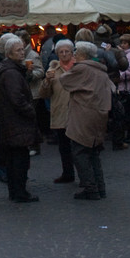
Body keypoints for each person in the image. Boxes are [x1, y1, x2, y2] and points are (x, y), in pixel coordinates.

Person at [61, 42, 114, 200]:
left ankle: (90, 187)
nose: (74, 54)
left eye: (76, 52)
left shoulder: (82, 68)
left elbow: (65, 81)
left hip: (84, 114)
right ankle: (100, 186)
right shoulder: (101, 71)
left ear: (83, 54)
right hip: (99, 113)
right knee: (93, 152)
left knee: (80, 152)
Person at [0, 36, 40, 203]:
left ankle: (16, 191)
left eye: (22, 49)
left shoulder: (11, 70)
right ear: (9, 53)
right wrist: (30, 111)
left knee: (15, 159)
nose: (22, 52)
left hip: (11, 122)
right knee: (19, 160)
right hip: (17, 123)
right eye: (19, 50)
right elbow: (17, 99)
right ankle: (19, 192)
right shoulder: (12, 73)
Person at [39, 40, 76, 184]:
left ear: (72, 52)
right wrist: (47, 81)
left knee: (78, 148)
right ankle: (68, 173)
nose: (64, 54)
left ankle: (85, 175)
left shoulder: (78, 67)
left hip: (77, 112)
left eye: (67, 51)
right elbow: (44, 94)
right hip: (60, 112)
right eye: (61, 52)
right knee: (64, 147)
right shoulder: (53, 70)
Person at [21, 31, 45, 155]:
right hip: (25, 91)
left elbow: (41, 71)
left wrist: (30, 75)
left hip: (33, 91)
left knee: (32, 119)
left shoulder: (32, 55)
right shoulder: (20, 55)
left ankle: (35, 145)